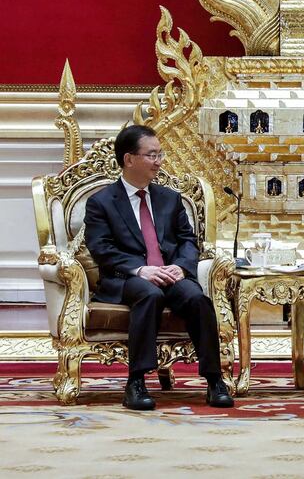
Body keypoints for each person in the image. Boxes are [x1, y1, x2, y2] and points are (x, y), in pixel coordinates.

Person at [84, 125, 234, 410]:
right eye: (151, 155)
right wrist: (141, 270)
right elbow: (101, 249)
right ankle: (136, 382)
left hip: (170, 273)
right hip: (127, 278)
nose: (159, 161)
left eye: (159, 154)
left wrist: (181, 266)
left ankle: (215, 380)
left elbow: (188, 240)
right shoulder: (101, 202)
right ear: (129, 160)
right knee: (149, 294)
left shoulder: (169, 198)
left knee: (197, 299)